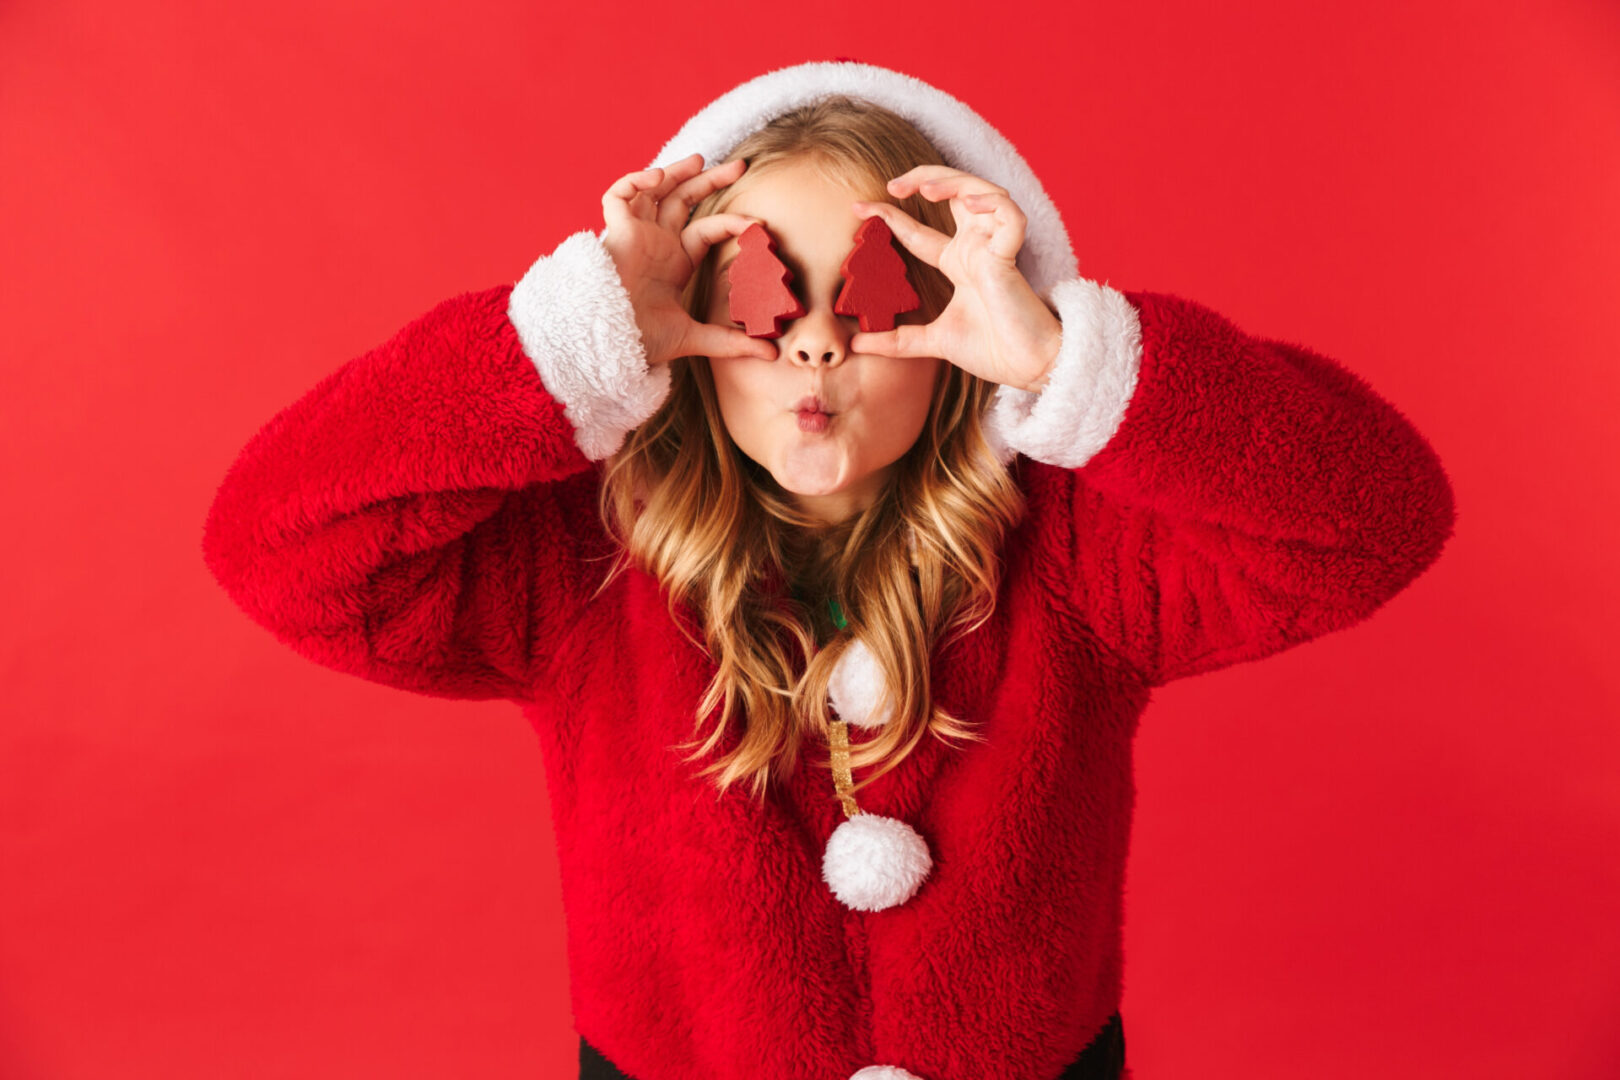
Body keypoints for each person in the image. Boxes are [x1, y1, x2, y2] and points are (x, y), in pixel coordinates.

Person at [201, 60, 1457, 1080]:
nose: (810, 347)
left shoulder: (1081, 555)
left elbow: (1372, 518)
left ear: (965, 320)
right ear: (677, 326)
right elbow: (280, 548)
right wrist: (561, 347)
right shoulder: (585, 568)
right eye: (756, 298)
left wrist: (1064, 360)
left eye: (874, 295)